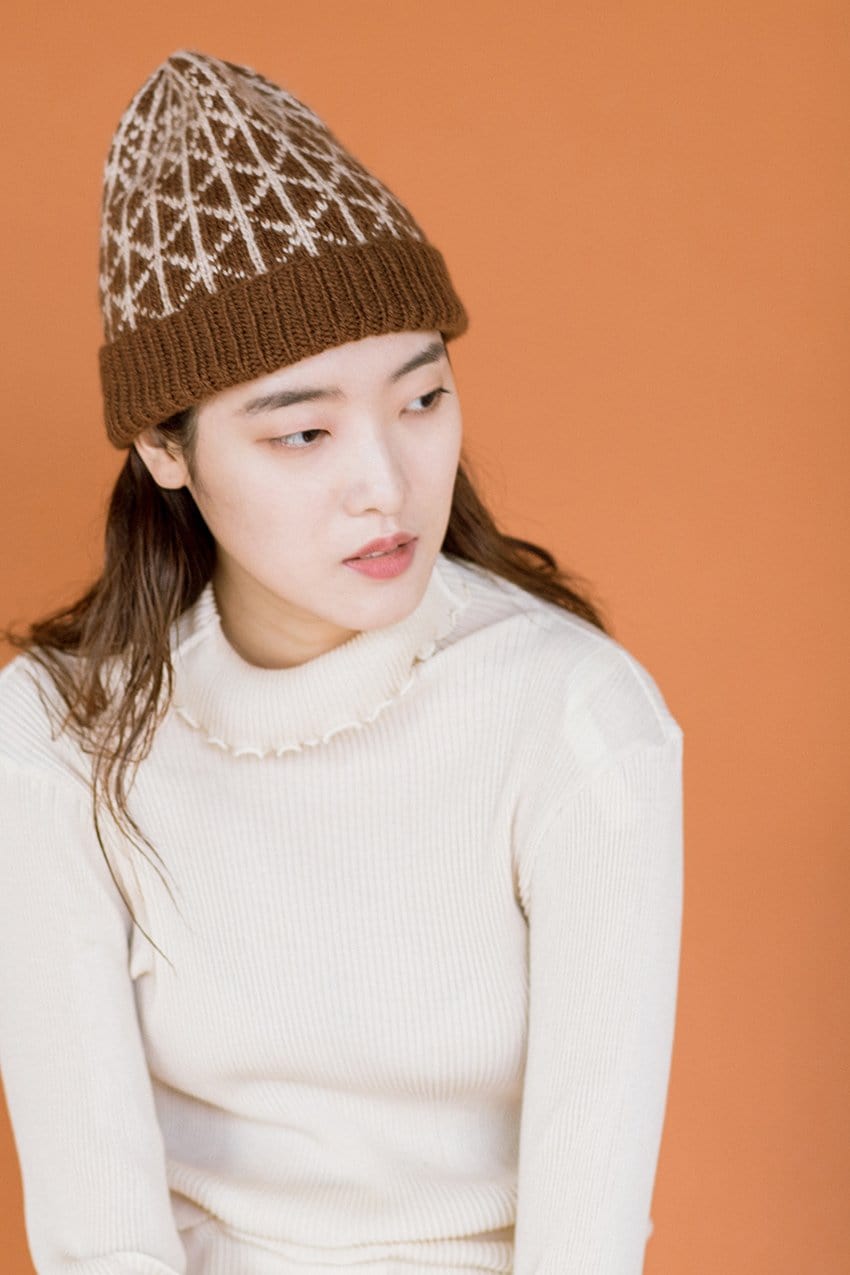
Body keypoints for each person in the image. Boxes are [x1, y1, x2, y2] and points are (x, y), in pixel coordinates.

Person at [0, 48, 684, 1275]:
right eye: (305, 432)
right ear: (165, 450)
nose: (388, 484)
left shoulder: (572, 715)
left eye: (421, 401)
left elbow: (585, 1237)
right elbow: (99, 1234)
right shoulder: (57, 736)